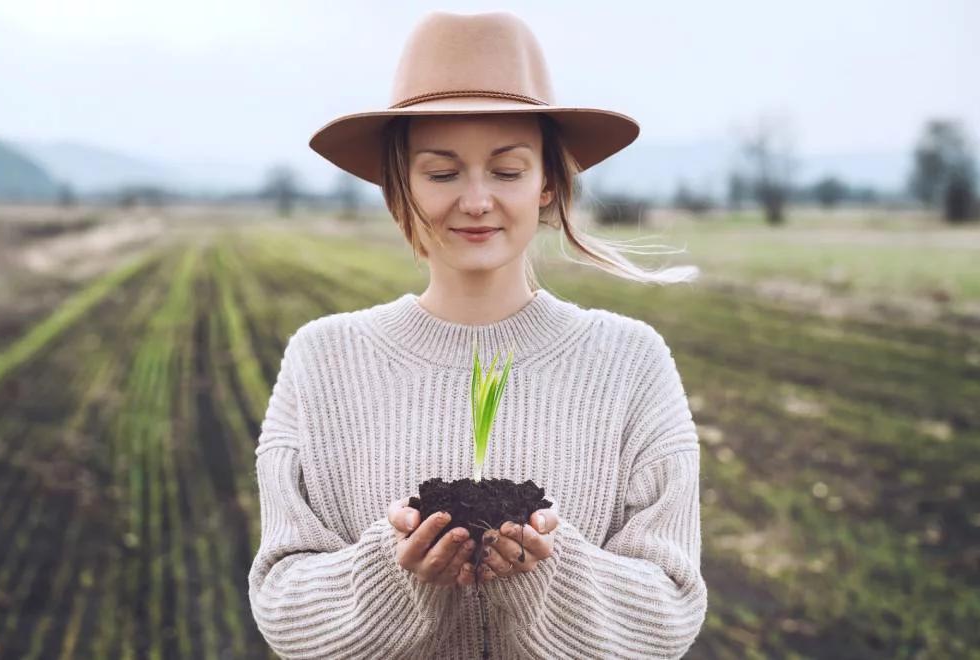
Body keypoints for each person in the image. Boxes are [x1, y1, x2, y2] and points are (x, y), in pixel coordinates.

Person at [247, 10, 706, 659]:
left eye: (507, 170)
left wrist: (552, 565)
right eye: (441, 172)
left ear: (548, 181)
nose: (477, 199)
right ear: (397, 184)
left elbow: (671, 607)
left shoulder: (630, 362)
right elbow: (284, 602)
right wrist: (395, 569)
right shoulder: (324, 360)